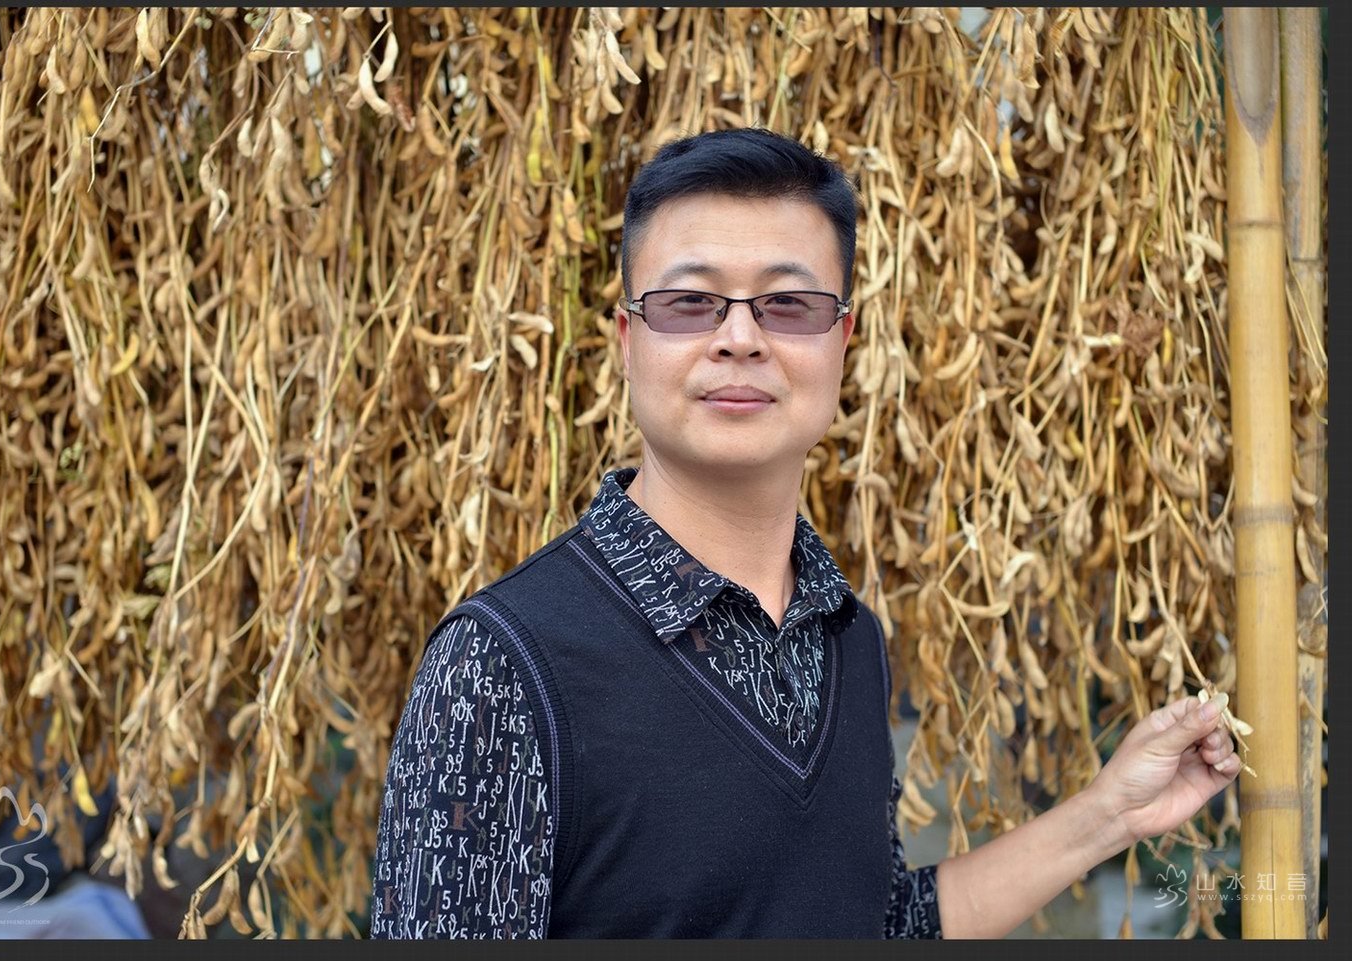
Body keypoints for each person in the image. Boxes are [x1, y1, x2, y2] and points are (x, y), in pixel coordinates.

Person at [369, 127, 1242, 939]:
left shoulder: (847, 639)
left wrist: (1110, 814)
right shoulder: (503, 664)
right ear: (628, 340)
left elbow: (874, 920)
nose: (739, 338)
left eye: (788, 305)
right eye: (689, 302)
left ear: (842, 341)